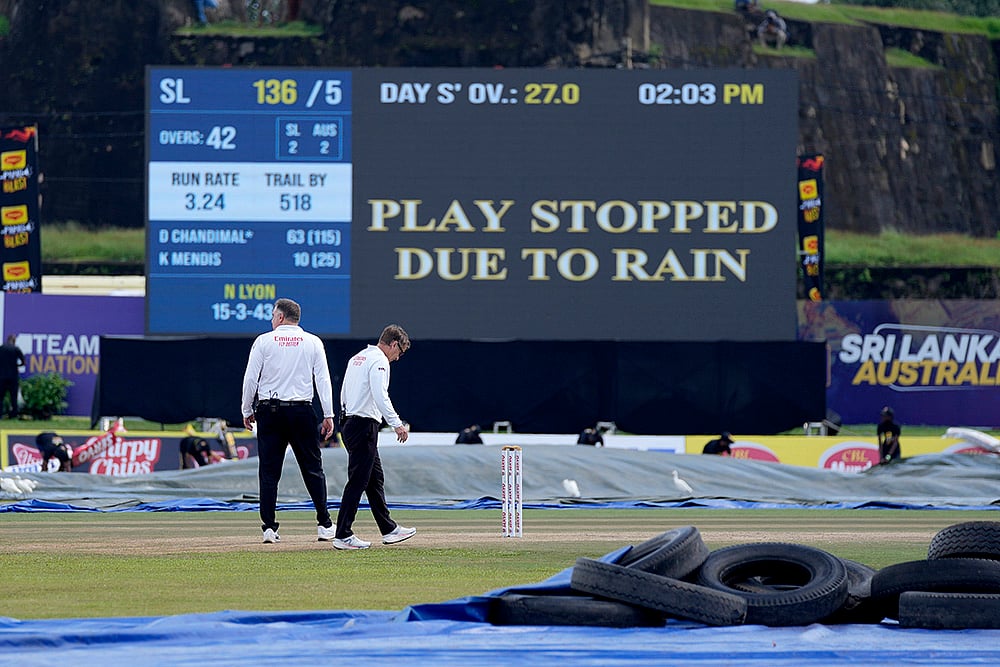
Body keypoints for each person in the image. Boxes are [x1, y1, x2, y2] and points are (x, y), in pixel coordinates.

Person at [241, 298, 337, 545]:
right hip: (301, 411)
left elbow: (251, 378)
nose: (272, 319)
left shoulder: (263, 341)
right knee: (313, 469)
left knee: (269, 472)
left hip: (269, 411)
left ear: (281, 317)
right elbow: (323, 380)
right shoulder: (313, 342)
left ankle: (269, 529)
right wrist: (328, 414)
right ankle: (325, 524)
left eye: (273, 315)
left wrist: (246, 409)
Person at [334, 324, 416, 550]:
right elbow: (381, 395)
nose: (397, 358)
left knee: (374, 478)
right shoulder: (379, 360)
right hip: (363, 425)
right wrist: (397, 424)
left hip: (350, 421)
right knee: (359, 480)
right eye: (399, 352)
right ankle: (342, 534)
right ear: (393, 344)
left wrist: (344, 418)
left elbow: (343, 392)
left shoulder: (358, 357)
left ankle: (389, 529)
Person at [0, 334, 25, 419]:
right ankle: (14, 414)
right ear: (14, 341)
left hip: (1, 376)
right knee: (13, 397)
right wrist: (16, 365)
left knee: (0, 397)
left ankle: (0, 414)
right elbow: (23, 362)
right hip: (13, 376)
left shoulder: (1, 348)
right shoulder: (16, 349)